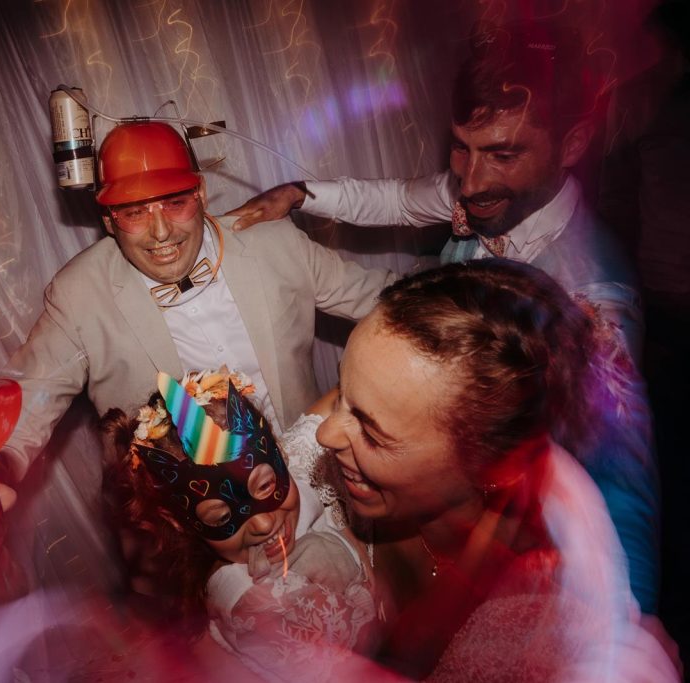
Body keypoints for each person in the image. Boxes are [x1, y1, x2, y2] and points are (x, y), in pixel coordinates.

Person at [226, 19, 661, 616]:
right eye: (462, 146)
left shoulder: (593, 301)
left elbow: (622, 483)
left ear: (574, 143)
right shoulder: (485, 189)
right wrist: (301, 193)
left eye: (502, 153)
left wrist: (625, 630)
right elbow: (398, 197)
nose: (470, 179)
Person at [0, 121, 394, 510]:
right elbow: (29, 394)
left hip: (311, 487)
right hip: (192, 528)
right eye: (135, 212)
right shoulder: (78, 295)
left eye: (175, 202)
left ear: (200, 193)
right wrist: (0, 469)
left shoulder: (276, 242)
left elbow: (382, 300)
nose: (161, 232)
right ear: (109, 221)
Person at [312, 259, 677, 681]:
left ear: (490, 468)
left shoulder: (556, 609)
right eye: (343, 393)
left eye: (372, 435)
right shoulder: (378, 399)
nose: (324, 433)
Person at [100, 368, 377, 681]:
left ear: (282, 454)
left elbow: (339, 398)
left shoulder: (294, 472)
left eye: (264, 485)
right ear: (179, 524)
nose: (261, 523)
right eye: (222, 518)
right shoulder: (260, 605)